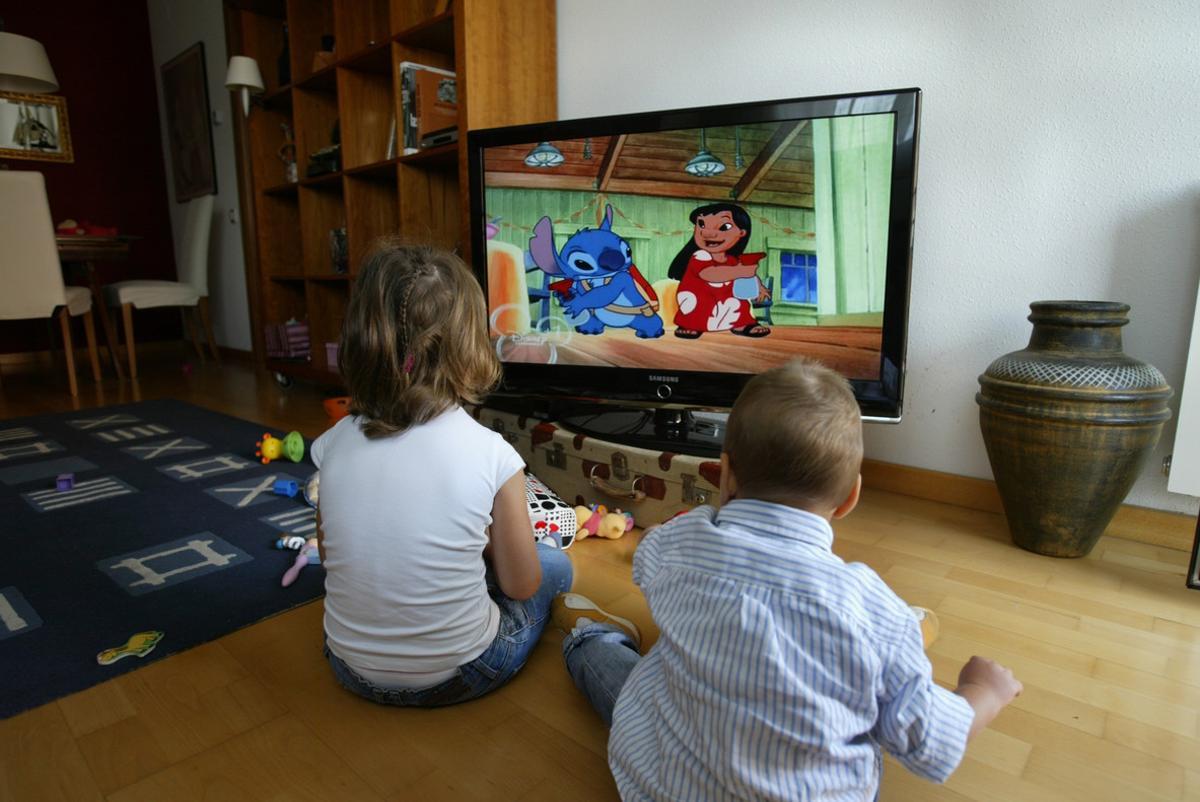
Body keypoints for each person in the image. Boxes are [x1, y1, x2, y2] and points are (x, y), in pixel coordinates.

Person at [552, 357, 1022, 800]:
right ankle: (894, 661)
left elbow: (647, 563)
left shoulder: (683, 542)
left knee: (615, 674)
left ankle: (591, 640)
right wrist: (983, 692)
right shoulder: (866, 606)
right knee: (877, 690)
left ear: (726, 473)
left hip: (665, 786)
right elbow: (932, 741)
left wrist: (669, 537)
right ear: (850, 497)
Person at [312, 240, 573, 707]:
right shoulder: (492, 453)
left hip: (347, 666)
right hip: (462, 672)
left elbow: (331, 557)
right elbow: (520, 585)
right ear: (469, 346)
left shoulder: (333, 444)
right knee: (553, 564)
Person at [667, 202, 771, 339]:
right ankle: (690, 325)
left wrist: (760, 287)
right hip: (700, 301)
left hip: (726, 304)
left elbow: (748, 275)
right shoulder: (700, 256)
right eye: (701, 225)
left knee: (739, 301)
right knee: (698, 305)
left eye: (724, 227)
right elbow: (709, 274)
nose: (707, 233)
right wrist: (740, 272)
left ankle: (742, 324)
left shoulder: (733, 260)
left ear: (741, 233)